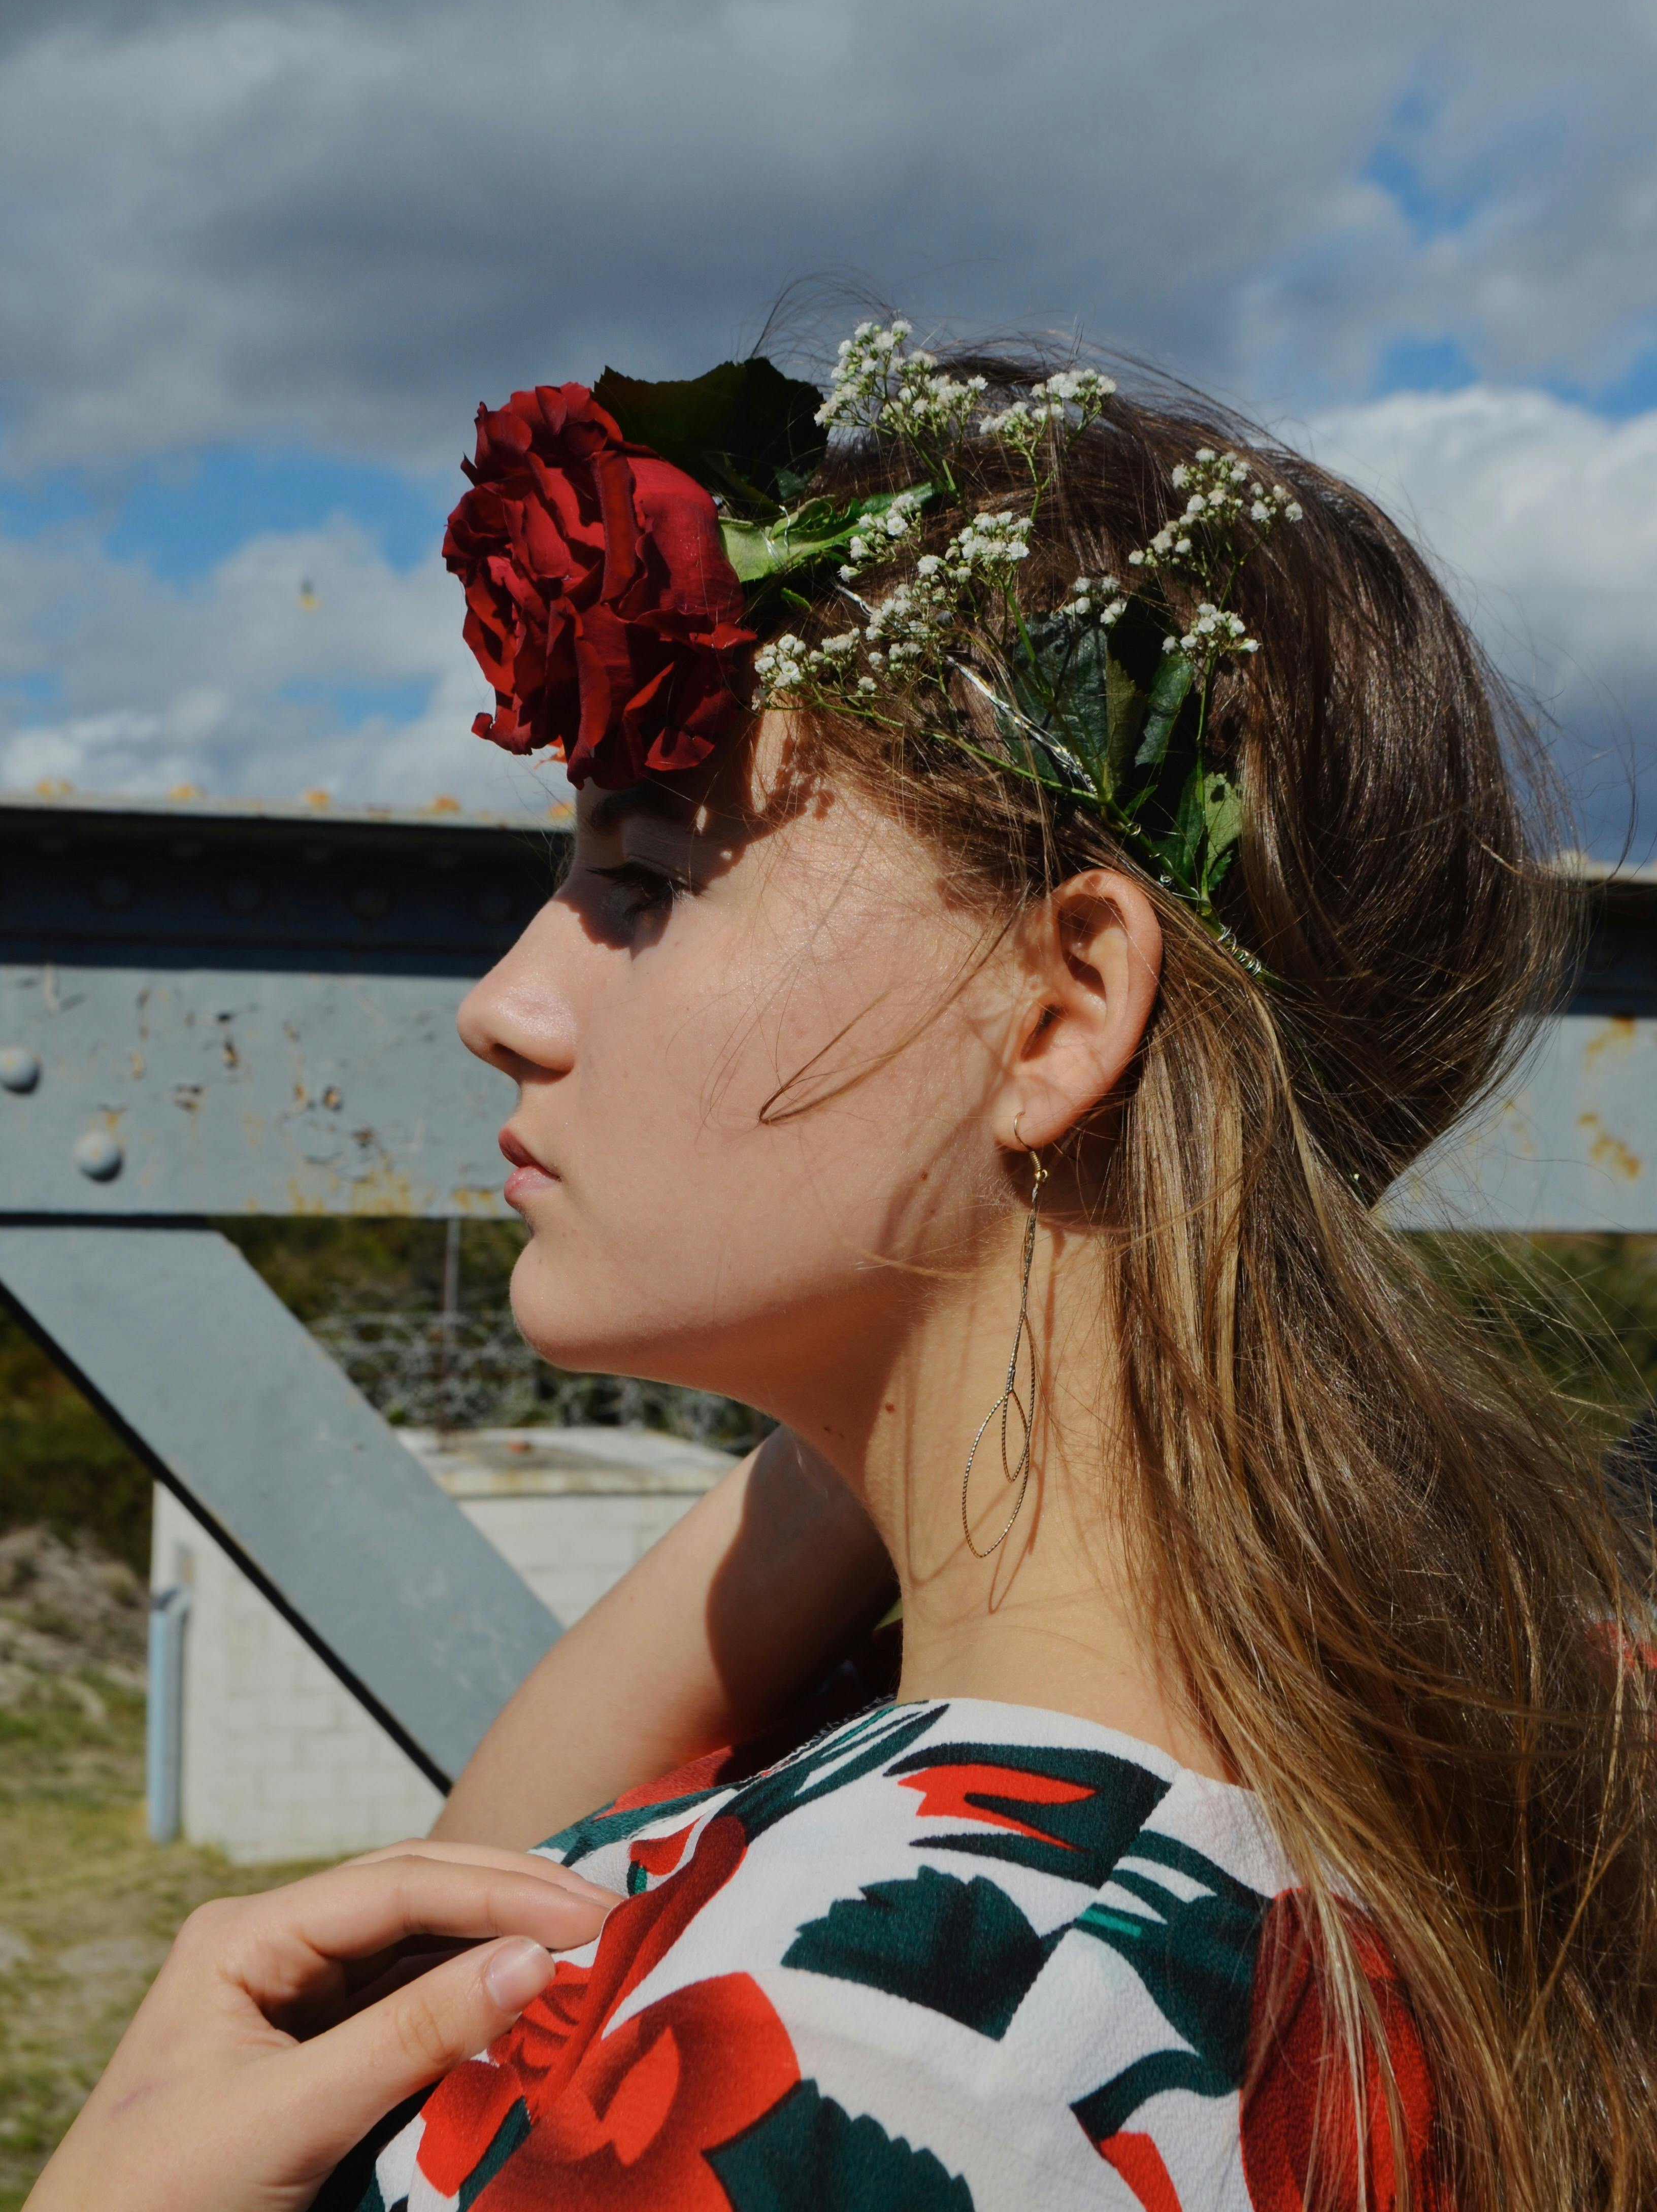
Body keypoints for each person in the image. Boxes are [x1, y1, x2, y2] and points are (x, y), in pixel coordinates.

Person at [31, 323, 1657, 2210]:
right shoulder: (1425, 1798)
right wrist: (913, 1398)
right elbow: (521, 1854)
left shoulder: (868, 2058)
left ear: (1061, 1010)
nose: (505, 1007)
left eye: (645, 883)